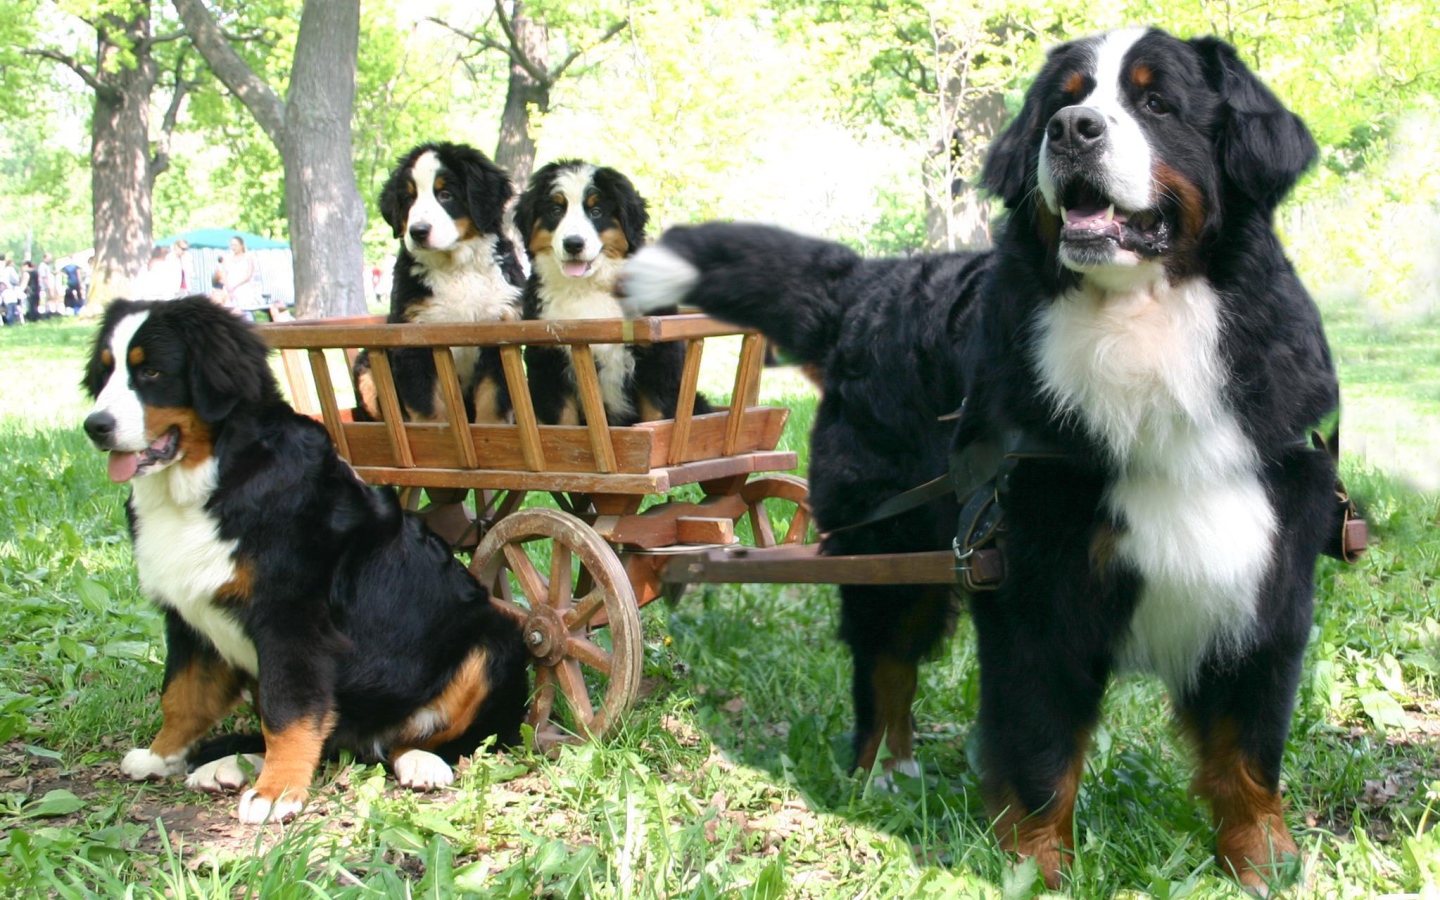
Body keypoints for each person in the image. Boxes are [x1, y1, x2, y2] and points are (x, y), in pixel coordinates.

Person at [222, 236, 261, 314]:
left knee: (244, 311)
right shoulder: (227, 257)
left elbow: (249, 275)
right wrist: (228, 287)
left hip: (243, 288)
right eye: (232, 245)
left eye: (235, 245)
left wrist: (235, 285)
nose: (233, 247)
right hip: (229, 289)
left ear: (241, 245)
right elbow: (224, 274)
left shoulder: (248, 257)